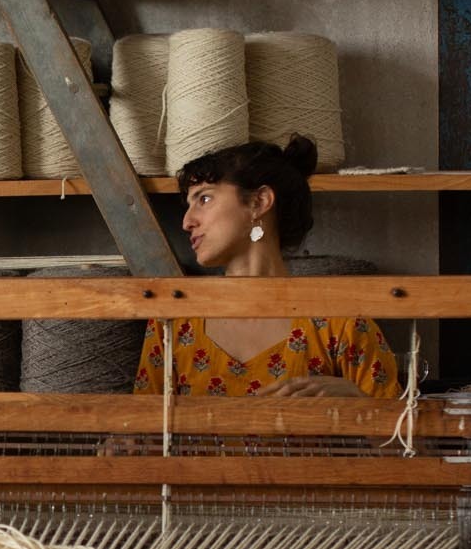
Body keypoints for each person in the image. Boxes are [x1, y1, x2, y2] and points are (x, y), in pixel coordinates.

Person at [134, 136, 401, 399]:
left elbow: (402, 439)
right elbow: (139, 432)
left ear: (259, 202)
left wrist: (359, 403)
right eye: (189, 204)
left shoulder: (341, 323)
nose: (187, 221)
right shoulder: (172, 323)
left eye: (203, 199)